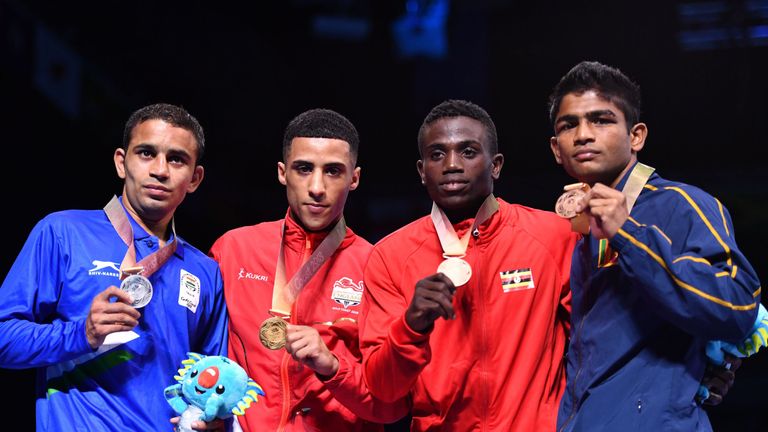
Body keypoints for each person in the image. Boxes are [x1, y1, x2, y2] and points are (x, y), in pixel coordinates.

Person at [548, 61, 762, 431]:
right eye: (569, 125)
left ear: (636, 136)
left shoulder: (681, 204)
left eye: (601, 120)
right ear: (556, 148)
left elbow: (740, 304)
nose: (583, 134)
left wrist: (628, 234)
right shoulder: (570, 231)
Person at [0, 103, 228, 430]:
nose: (160, 170)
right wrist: (81, 333)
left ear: (195, 178)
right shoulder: (64, 233)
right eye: (146, 153)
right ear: (122, 163)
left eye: (176, 159)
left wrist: (215, 418)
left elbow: (215, 379)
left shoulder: (205, 272)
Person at [360, 99, 580, 430]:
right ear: (422, 171)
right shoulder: (390, 256)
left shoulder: (553, 237)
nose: (451, 164)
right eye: (437, 155)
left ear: (496, 165)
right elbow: (383, 389)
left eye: (468, 152)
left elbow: (595, 342)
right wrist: (411, 326)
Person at [209, 108, 407, 431]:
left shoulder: (378, 267)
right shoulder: (233, 251)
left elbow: (393, 403)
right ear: (281, 172)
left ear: (354, 178)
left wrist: (332, 366)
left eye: (333, 171)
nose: (317, 187)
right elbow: (201, 361)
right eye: (303, 169)